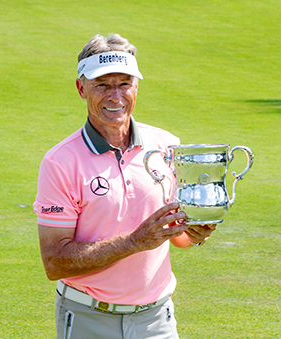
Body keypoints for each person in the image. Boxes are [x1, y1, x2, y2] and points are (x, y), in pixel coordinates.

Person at [34, 33, 216, 339]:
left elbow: (178, 236)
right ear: (82, 88)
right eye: (102, 85)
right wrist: (134, 241)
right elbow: (55, 262)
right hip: (88, 318)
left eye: (124, 84)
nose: (115, 96)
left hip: (157, 319)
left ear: (136, 86)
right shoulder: (60, 162)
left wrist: (194, 233)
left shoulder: (166, 145)